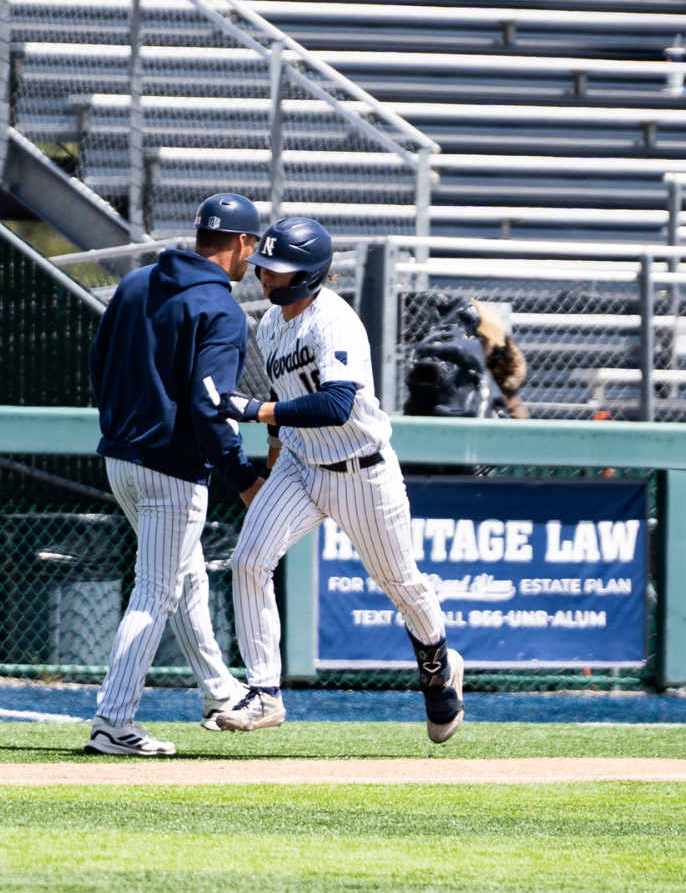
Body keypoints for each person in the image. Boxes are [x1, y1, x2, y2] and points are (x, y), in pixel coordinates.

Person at [210, 217, 466, 743]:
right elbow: (286, 410)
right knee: (248, 560)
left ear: (308, 274)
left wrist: (254, 410)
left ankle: (438, 665)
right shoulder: (271, 325)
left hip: (362, 471)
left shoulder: (335, 320)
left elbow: (335, 404)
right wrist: (272, 463)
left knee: (401, 584)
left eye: (277, 270)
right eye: (264, 266)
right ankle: (264, 693)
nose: (264, 276)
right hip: (303, 466)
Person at [81, 195, 262, 757]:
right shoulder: (224, 310)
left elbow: (98, 359)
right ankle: (113, 720)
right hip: (171, 471)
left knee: (185, 578)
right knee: (155, 591)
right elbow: (212, 407)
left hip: (120, 457)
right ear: (242, 244)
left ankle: (219, 690)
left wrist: (121, 424)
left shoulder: (136, 283)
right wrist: (241, 475)